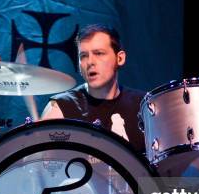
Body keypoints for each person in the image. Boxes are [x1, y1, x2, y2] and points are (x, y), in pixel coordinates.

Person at [41, 24, 145, 155]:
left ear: (120, 58)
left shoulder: (143, 106)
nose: (90, 62)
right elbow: (40, 167)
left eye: (99, 53)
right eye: (83, 56)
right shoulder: (60, 108)